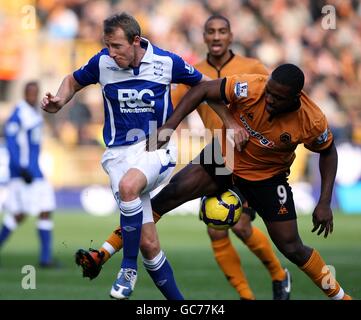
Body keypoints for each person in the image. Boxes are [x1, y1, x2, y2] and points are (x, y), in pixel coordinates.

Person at [75, 15, 291, 300]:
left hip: (251, 153)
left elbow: (274, 104)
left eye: (222, 31)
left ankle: (278, 275)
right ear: (202, 36)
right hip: (217, 154)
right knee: (201, 224)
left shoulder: (253, 68)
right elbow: (169, 109)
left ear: (230, 35)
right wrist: (159, 129)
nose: (216, 37)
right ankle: (246, 296)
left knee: (241, 224)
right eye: (210, 32)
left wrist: (260, 139)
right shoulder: (191, 71)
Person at [41, 13, 242, 300]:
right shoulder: (102, 63)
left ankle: (127, 268)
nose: (112, 53)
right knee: (148, 244)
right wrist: (60, 100)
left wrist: (230, 123)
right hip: (117, 155)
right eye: (107, 45)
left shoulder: (166, 62)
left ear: (136, 41)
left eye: (117, 46)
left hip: (155, 146)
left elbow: (207, 86)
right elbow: (72, 80)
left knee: (128, 187)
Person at [151, 63, 352, 300]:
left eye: (277, 97)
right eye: (268, 91)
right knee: (168, 195)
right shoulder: (250, 86)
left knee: (291, 247)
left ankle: (341, 297)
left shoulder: (312, 119)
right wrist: (169, 128)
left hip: (267, 176)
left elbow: (328, 152)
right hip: (225, 156)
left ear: (295, 97)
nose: (269, 99)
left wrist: (324, 202)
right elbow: (201, 90)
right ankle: (106, 252)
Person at [0, 81, 56, 267]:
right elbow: (12, 143)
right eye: (30, 93)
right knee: (20, 214)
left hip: (35, 171)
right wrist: (20, 168)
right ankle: (45, 258)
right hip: (23, 173)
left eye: (35, 93)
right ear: (25, 94)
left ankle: (45, 258)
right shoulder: (19, 114)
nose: (33, 96)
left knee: (44, 209)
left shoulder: (35, 112)